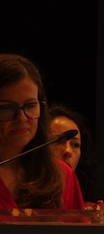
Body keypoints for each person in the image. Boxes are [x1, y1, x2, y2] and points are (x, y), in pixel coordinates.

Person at [0, 54, 85, 210]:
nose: (21, 117)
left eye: (30, 105)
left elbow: (79, 233)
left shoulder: (61, 174)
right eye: (6, 108)